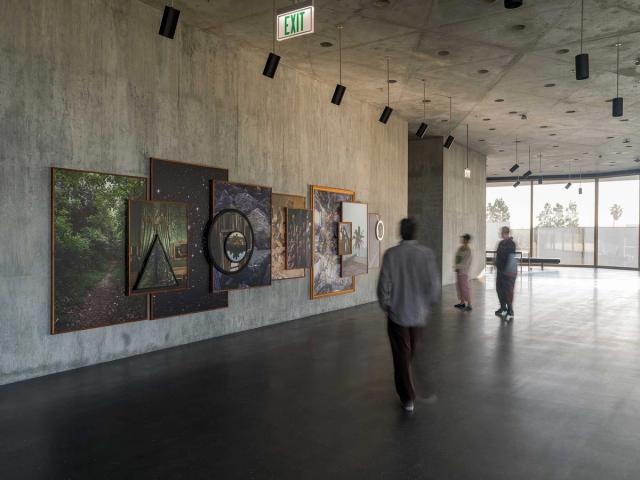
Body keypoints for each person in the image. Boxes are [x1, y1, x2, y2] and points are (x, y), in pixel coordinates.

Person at [377, 218, 441, 413]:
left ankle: (407, 398)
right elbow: (434, 287)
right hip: (419, 315)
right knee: (410, 351)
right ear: (416, 232)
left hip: (397, 315)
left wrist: (386, 305)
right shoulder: (426, 254)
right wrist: (427, 305)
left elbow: (383, 285)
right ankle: (414, 387)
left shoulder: (391, 255)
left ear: (401, 232)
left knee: (401, 356)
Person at [495, 226, 517, 322]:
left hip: (508, 271)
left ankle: (510, 310)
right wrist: (495, 264)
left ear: (505, 233)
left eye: (502, 232)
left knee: (507, 291)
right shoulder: (501, 243)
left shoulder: (511, 244)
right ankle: (503, 307)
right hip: (500, 270)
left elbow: (511, 257)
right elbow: (498, 255)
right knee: (499, 289)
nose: (500, 233)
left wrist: (508, 271)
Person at [453, 234, 473, 311]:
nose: (462, 240)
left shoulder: (468, 250)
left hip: (464, 271)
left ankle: (469, 304)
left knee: (465, 287)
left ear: (467, 241)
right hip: (458, 270)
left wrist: (459, 267)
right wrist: (456, 267)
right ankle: (462, 302)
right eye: (462, 239)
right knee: (459, 286)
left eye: (464, 239)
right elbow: (457, 258)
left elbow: (466, 262)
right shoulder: (460, 248)